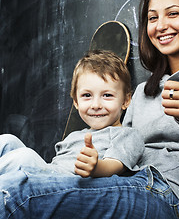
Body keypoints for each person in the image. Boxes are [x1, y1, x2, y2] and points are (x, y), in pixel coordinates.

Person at [0, 0, 179, 218]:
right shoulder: (143, 91)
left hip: (169, 194)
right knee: (9, 150)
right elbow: (122, 148)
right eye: (152, 17)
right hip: (125, 182)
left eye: (172, 14)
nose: (160, 25)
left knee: (16, 194)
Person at [0, 50, 144, 178]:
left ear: (126, 100)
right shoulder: (74, 136)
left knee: (25, 157)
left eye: (107, 95)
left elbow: (116, 164)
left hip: (64, 185)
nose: (96, 105)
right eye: (87, 95)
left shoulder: (127, 134)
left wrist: (96, 167)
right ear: (76, 101)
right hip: (48, 175)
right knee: (8, 140)